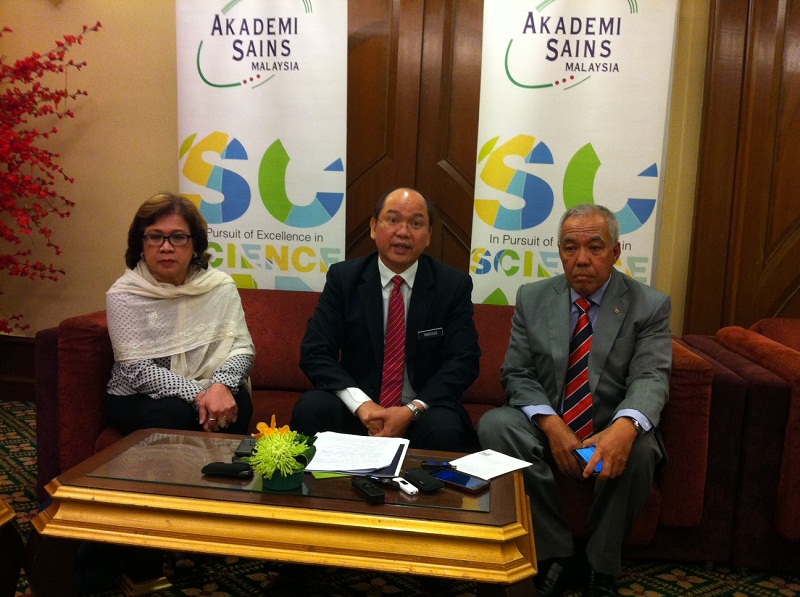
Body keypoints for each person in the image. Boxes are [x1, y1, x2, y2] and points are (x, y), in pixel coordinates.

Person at [477, 204, 671, 597]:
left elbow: (651, 376)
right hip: (548, 426)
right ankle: (557, 554)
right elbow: (516, 373)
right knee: (495, 425)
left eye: (595, 247)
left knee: (641, 449)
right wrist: (552, 426)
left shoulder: (648, 305)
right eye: (570, 248)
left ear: (615, 252)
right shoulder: (533, 298)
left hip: (608, 425)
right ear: (560, 251)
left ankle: (601, 570)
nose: (581, 259)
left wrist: (624, 427)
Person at [291, 187, 480, 451]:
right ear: (373, 227)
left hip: (421, 413)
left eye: (416, 223)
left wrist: (411, 410)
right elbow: (315, 352)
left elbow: (463, 361)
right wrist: (362, 404)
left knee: (445, 426)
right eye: (392, 220)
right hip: (359, 409)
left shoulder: (452, 286)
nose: (403, 232)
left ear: (428, 236)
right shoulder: (344, 279)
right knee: (313, 407)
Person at [105, 192, 255, 436]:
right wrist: (198, 394)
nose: (166, 247)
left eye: (178, 237)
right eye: (155, 237)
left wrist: (220, 385)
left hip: (211, 385)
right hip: (138, 394)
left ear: (195, 243)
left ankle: (224, 473)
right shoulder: (124, 293)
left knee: (237, 401)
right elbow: (136, 368)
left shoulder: (219, 286)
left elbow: (242, 348)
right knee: (174, 411)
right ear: (141, 244)